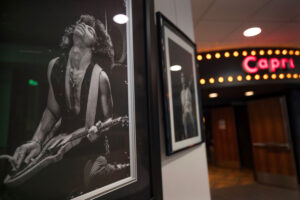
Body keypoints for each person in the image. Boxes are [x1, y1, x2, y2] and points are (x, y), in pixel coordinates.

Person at [8, 15, 119, 198]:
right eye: (81, 23)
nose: (83, 26)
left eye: (90, 29)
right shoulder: (54, 66)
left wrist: (98, 131)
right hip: (59, 146)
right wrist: (36, 141)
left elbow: (109, 118)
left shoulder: (101, 78)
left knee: (92, 180)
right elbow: (52, 110)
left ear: (95, 45)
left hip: (89, 149)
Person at [180, 72, 196, 139]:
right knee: (184, 118)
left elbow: (189, 84)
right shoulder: (182, 92)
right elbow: (183, 103)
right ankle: (186, 133)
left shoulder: (187, 90)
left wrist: (191, 77)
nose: (183, 83)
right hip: (185, 106)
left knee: (190, 118)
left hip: (188, 105)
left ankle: (194, 130)